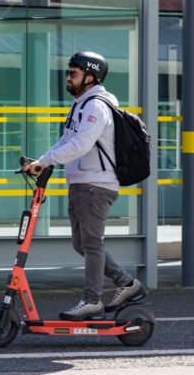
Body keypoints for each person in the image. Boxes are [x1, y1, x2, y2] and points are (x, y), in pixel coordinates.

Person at [23, 51, 148, 321]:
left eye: (73, 74)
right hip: (82, 183)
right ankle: (127, 284)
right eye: (68, 73)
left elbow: (82, 144)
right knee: (83, 244)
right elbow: (66, 140)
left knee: (92, 244)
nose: (68, 78)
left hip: (95, 185)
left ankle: (92, 301)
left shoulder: (95, 106)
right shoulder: (80, 104)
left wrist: (46, 162)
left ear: (91, 77)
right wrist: (41, 162)